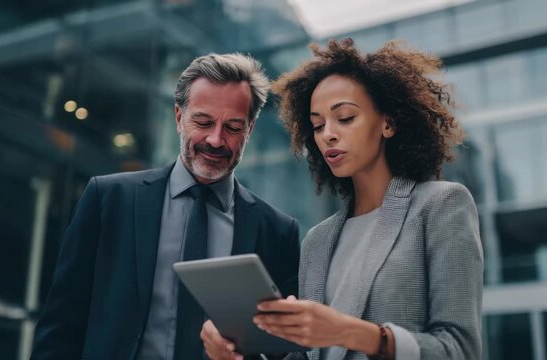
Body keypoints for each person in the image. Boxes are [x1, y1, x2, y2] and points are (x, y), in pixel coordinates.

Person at [205, 39, 483, 360]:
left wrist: (351, 332)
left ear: (388, 123)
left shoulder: (441, 205)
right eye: (318, 125)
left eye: (346, 118)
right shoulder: (317, 241)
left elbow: (460, 350)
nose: (328, 135)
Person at [31, 53, 300, 360]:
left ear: (250, 130)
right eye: (203, 121)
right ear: (178, 117)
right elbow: (61, 327)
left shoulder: (278, 231)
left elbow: (286, 351)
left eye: (233, 127)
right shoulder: (109, 199)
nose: (215, 139)